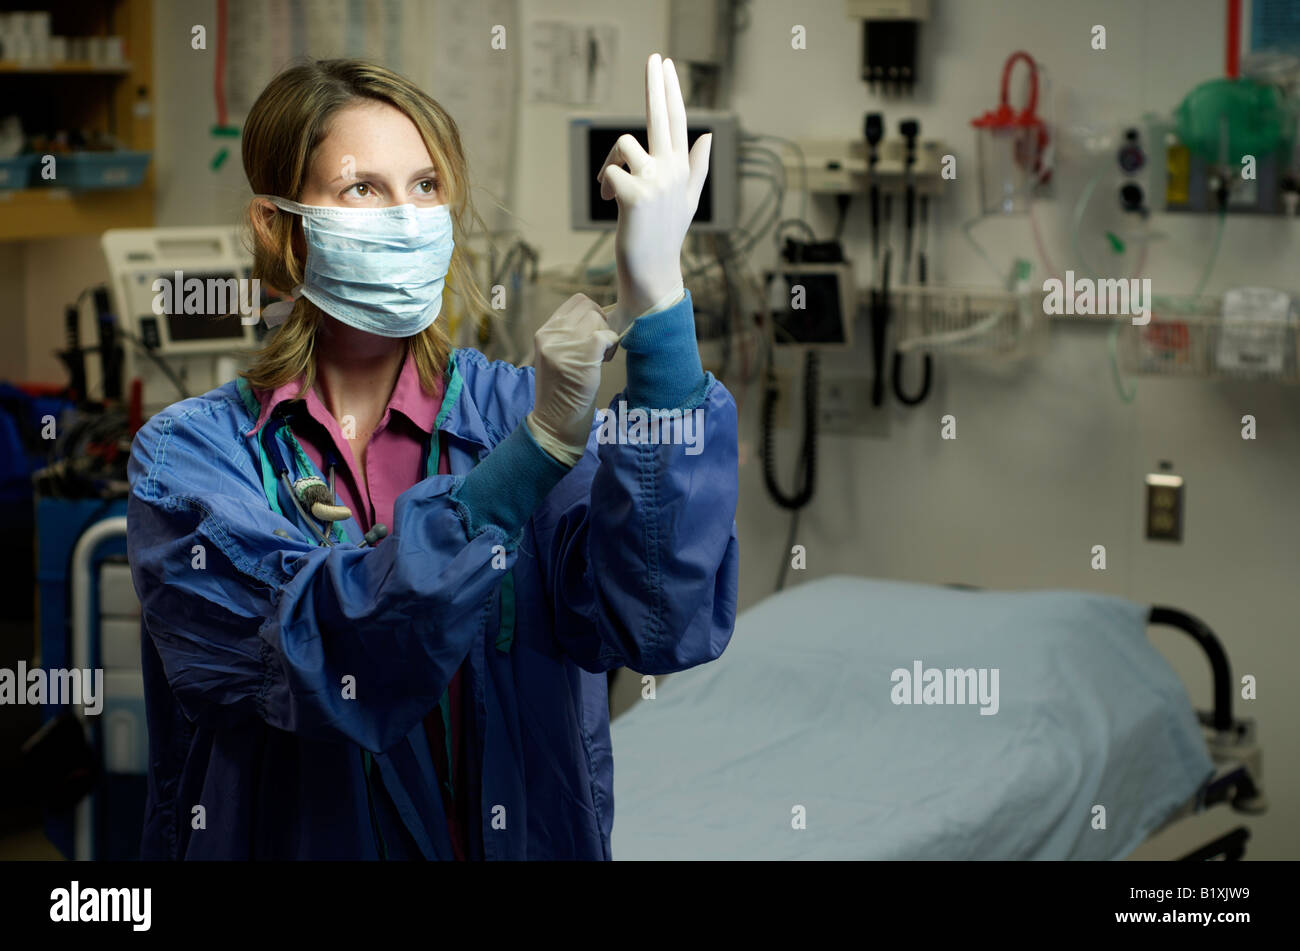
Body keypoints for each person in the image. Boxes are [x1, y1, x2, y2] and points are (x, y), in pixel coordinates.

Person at [126, 54, 739, 860]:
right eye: (362, 189)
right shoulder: (192, 460)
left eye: (423, 187)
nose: (406, 217)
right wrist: (528, 463)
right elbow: (321, 657)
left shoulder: (512, 414)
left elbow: (659, 620)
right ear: (277, 228)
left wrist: (661, 314)